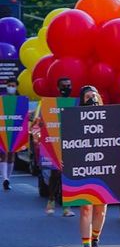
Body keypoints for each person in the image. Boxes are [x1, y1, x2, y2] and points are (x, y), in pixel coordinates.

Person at [76, 85, 108, 247]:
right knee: (86, 209)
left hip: (103, 169)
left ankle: (95, 239)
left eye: (94, 95)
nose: (91, 99)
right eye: (87, 96)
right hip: (83, 168)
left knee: (100, 210)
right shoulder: (74, 121)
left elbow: (116, 141)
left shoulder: (109, 119)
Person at [45, 77, 75, 216]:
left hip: (72, 143)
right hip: (56, 143)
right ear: (58, 88)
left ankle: (66, 207)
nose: (67, 88)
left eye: (69, 85)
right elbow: (42, 122)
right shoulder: (50, 105)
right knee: (55, 174)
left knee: (68, 175)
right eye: (64, 86)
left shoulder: (76, 103)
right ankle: (51, 200)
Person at [2, 77, 19, 190]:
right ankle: (5, 179)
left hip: (15, 130)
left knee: (12, 155)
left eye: (13, 86)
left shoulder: (20, 100)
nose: (11, 87)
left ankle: (8, 178)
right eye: (9, 85)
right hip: (3, 130)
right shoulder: (2, 99)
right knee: (4, 154)